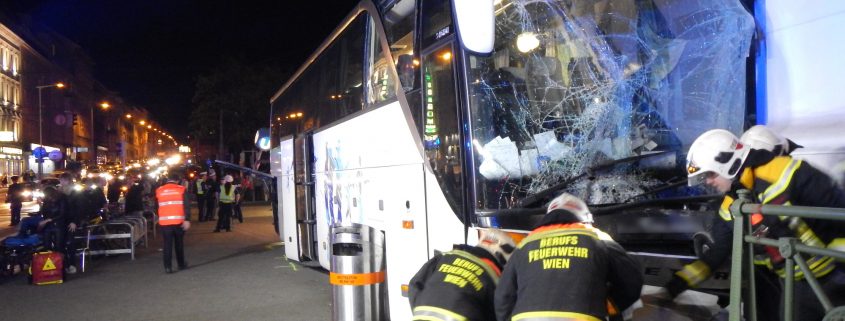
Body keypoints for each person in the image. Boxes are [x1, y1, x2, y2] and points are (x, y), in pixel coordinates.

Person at [667, 129, 845, 321]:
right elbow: (718, 251)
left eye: (710, 174)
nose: (709, 182)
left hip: (836, 275)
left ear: (729, 163)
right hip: (796, 284)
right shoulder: (732, 204)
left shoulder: (786, 172)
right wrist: (676, 285)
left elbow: (837, 211)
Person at [495, 193, 643, 321]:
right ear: (586, 219)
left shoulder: (525, 245)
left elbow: (503, 298)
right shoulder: (597, 237)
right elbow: (632, 280)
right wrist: (608, 307)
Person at [409, 229, 515, 321]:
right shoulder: (494, 278)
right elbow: (501, 314)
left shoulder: (444, 258)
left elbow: (414, 284)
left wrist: (421, 309)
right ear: (501, 257)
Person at [36, 186, 80, 274]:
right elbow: (44, 212)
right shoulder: (47, 201)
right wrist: (40, 205)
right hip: (49, 225)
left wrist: (49, 220)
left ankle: (65, 266)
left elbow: (62, 213)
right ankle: (51, 267)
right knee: (47, 246)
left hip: (59, 225)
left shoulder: (62, 199)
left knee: (59, 246)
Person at [155, 173, 191, 273]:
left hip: (164, 223)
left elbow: (156, 207)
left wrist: (160, 217)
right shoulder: (181, 189)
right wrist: (187, 219)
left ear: (168, 180)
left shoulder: (159, 190)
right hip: (178, 222)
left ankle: (168, 267)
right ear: (178, 180)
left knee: (167, 245)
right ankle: (181, 264)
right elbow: (186, 206)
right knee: (179, 244)